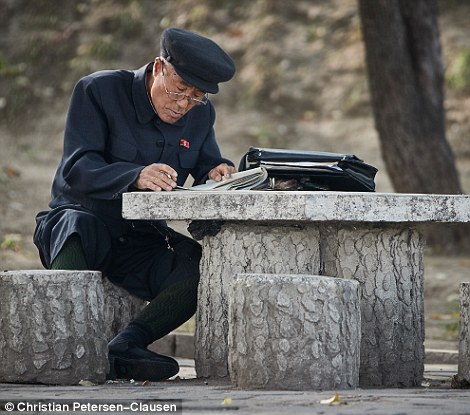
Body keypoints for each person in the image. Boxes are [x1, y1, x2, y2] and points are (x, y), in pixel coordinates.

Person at [33, 27, 236, 381]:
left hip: (140, 238)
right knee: (77, 228)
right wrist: (135, 175)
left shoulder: (201, 114)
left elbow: (207, 163)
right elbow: (77, 167)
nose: (183, 104)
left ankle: (126, 345)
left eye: (195, 96)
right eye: (178, 90)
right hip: (81, 222)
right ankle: (67, 348)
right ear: (159, 67)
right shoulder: (98, 90)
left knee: (196, 265)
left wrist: (218, 171)